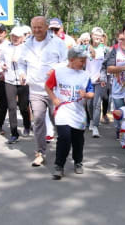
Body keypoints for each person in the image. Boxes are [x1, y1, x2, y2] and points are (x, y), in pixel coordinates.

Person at [18, 16, 67, 167]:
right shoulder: (26, 44)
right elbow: (21, 63)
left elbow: (66, 61)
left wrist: (55, 69)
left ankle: (63, 150)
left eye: (40, 27)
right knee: (38, 120)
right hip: (35, 89)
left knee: (57, 121)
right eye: (34, 27)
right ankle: (40, 153)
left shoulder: (57, 42)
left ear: (46, 27)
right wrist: (22, 73)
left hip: (54, 90)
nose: (37, 30)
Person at [45, 46, 94, 180]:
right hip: (63, 111)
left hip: (78, 113)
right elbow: (48, 86)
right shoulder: (59, 72)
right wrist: (54, 99)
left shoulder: (85, 75)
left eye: (85, 61)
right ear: (71, 59)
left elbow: (91, 92)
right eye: (81, 61)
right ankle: (59, 166)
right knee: (64, 138)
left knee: (78, 140)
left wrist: (86, 95)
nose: (83, 63)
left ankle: (78, 161)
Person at [1, 26, 31, 143]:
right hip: (9, 80)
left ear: (22, 37)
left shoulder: (26, 48)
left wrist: (18, 61)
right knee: (12, 107)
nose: (15, 38)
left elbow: (30, 63)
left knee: (23, 106)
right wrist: (2, 65)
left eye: (17, 37)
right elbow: (2, 60)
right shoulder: (6, 48)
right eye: (13, 36)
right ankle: (14, 133)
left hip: (23, 81)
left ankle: (27, 125)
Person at [86, 27, 107, 138]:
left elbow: (108, 64)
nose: (97, 37)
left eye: (100, 35)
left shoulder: (105, 49)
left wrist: (103, 75)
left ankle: (95, 127)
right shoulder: (85, 48)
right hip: (88, 80)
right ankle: (91, 120)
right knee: (89, 104)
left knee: (97, 104)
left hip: (100, 80)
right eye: (95, 35)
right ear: (91, 36)